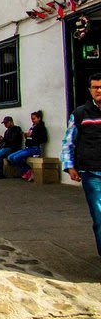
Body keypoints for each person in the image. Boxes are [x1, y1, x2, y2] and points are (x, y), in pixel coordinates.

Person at [62, 72, 101, 256]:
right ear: (90, 90)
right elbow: (68, 142)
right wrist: (70, 166)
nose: (99, 90)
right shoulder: (80, 113)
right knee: (99, 216)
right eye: (95, 87)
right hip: (92, 173)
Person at [7, 110, 48, 182]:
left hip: (35, 148)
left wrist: (32, 135)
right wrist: (26, 136)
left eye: (34, 119)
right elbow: (30, 138)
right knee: (10, 157)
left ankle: (28, 171)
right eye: (32, 119)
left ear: (39, 118)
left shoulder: (41, 127)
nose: (33, 121)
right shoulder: (32, 127)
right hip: (28, 147)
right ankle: (26, 171)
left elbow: (43, 139)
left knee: (17, 157)